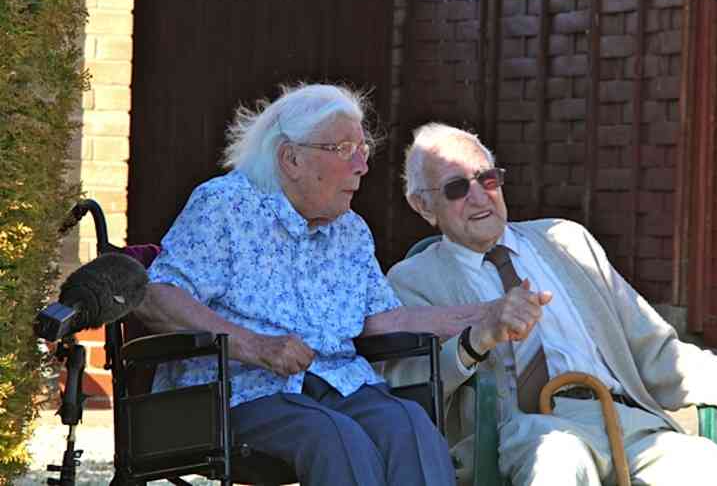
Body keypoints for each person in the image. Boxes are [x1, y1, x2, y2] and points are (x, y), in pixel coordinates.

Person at [134, 84, 529, 486]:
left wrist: (487, 312)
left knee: (409, 422)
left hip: (339, 385)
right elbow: (157, 297)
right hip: (239, 393)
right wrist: (255, 346)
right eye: (344, 150)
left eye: (363, 150)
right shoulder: (224, 206)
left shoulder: (351, 230)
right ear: (291, 159)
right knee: (337, 438)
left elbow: (383, 320)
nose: (362, 166)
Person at [384, 122, 717, 486]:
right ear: (424, 205)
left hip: (626, 424)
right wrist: (478, 337)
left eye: (487, 179)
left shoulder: (567, 240)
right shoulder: (413, 280)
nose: (480, 197)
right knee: (559, 460)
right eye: (457, 188)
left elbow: (656, 350)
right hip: (523, 433)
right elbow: (414, 390)